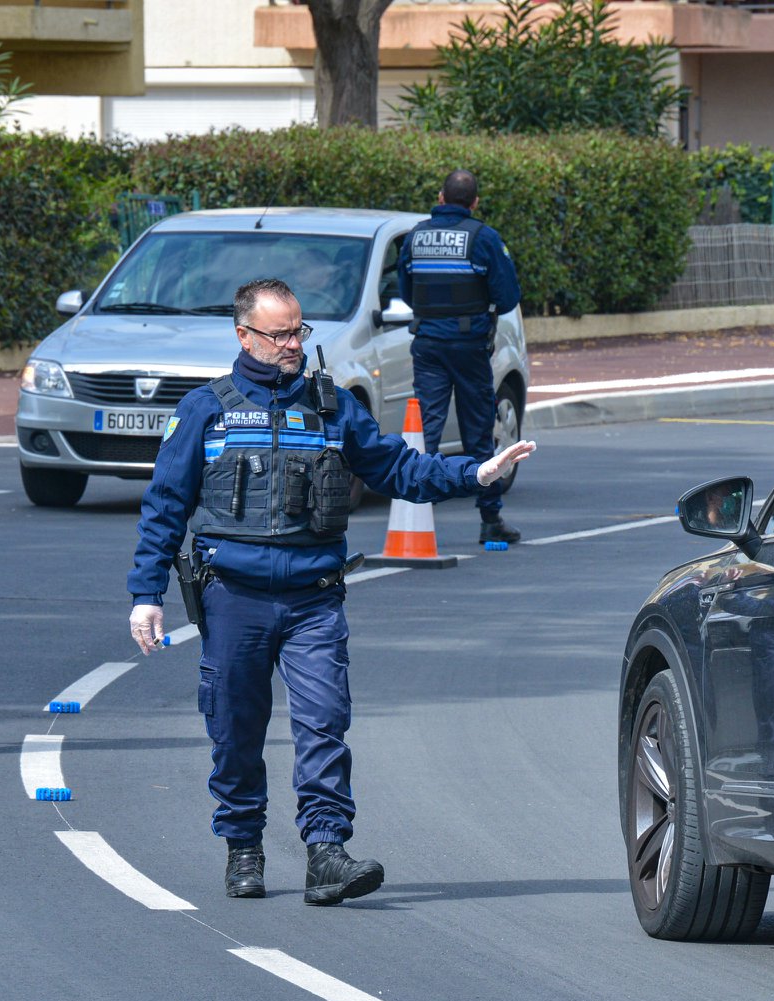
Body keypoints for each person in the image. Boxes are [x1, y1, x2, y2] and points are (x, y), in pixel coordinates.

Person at [126, 278, 535, 905]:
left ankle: (326, 852)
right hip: (232, 599)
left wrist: (475, 471)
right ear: (244, 336)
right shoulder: (204, 410)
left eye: (299, 331)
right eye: (279, 333)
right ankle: (243, 848)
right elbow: (163, 508)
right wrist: (146, 593)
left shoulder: (333, 407)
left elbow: (399, 468)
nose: (293, 344)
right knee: (236, 730)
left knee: (323, 724)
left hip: (313, 599)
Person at [397, 169, 524, 544]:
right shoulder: (484, 238)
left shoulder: (416, 237)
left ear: (440, 198)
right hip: (468, 348)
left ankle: (416, 516)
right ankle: (489, 520)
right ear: (474, 202)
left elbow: (406, 290)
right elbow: (508, 296)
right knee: (478, 430)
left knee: (426, 428)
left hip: (428, 344)